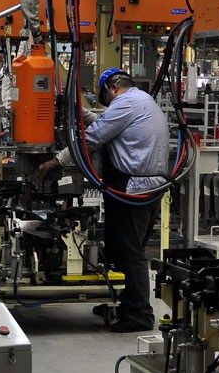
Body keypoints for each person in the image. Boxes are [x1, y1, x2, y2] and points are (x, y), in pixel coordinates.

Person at [39, 68, 169, 333]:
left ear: (112, 88)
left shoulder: (126, 103)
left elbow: (92, 137)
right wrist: (79, 112)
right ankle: (118, 299)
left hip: (132, 186)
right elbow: (105, 122)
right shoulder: (142, 100)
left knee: (130, 252)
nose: (109, 104)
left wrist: (57, 161)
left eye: (106, 99)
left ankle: (139, 314)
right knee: (120, 248)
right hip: (146, 186)